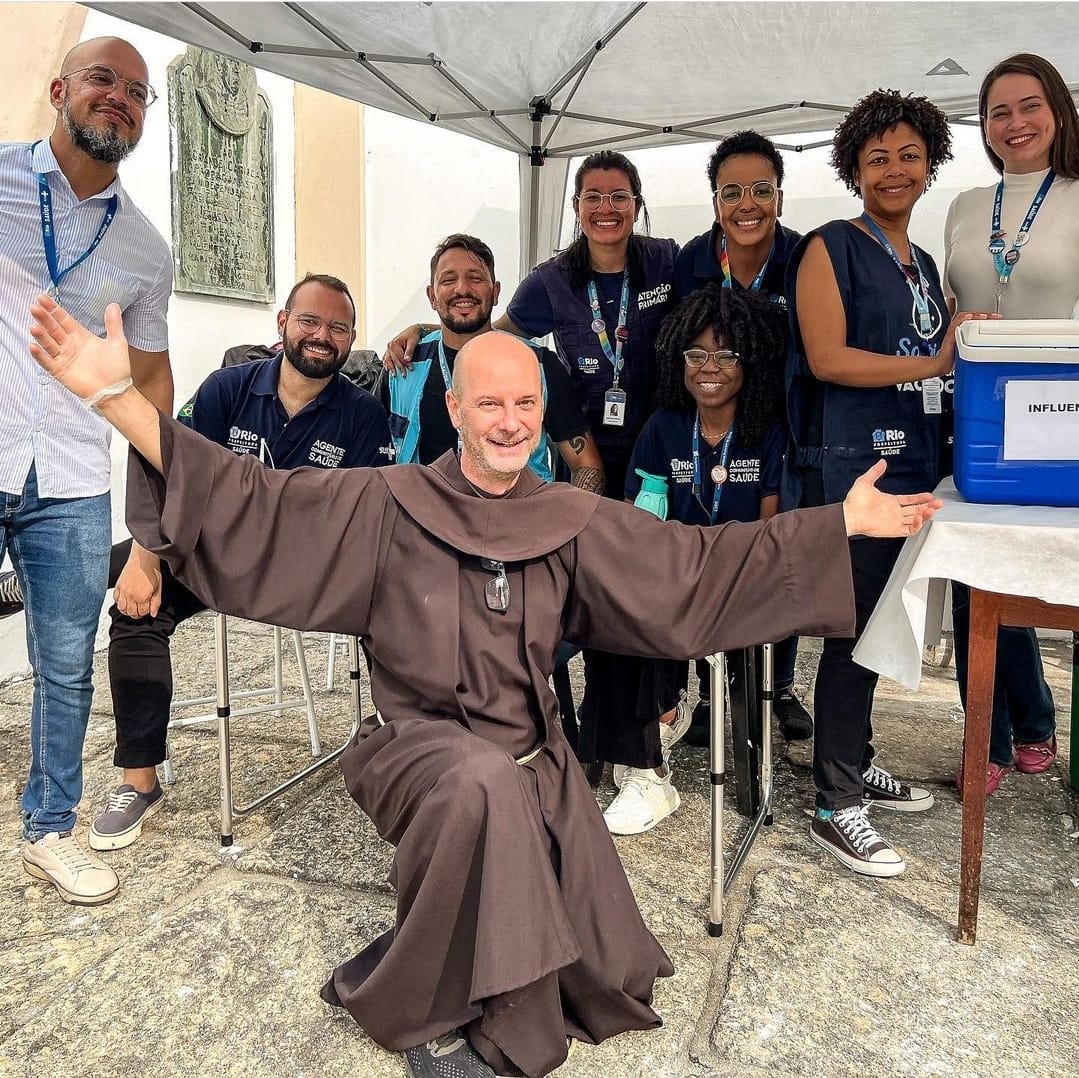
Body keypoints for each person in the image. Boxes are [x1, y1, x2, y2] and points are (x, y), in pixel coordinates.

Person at [29, 295, 941, 1078]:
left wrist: (835, 525)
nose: (509, 420)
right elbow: (247, 498)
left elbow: (693, 565)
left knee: (580, 938)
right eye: (490, 402)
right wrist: (114, 397)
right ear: (454, 408)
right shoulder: (384, 505)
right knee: (477, 783)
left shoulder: (572, 518)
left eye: (527, 404)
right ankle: (444, 1020)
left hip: (531, 759)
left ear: (544, 413)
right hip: (416, 752)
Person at [84, 274, 394, 852]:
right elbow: (167, 470)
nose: (322, 336)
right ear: (283, 323)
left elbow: (365, 518)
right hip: (212, 556)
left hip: (307, 573)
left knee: (398, 610)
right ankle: (139, 780)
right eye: (310, 321)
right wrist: (148, 558)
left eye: (337, 327)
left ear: (351, 339)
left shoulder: (363, 415)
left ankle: (405, 751)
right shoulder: (228, 388)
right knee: (133, 603)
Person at [786, 88, 995, 878]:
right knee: (851, 634)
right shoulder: (829, 246)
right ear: (853, 169)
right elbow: (827, 359)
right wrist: (934, 361)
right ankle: (836, 806)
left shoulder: (925, 262)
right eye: (877, 158)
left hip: (918, 461)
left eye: (908, 155)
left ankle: (857, 757)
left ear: (930, 161)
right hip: (860, 469)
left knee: (887, 628)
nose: (894, 169)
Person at [2, 37, 173, 907]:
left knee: (65, 662)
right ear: (63, 88)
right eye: (105, 80)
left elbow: (151, 383)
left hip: (70, 473)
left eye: (138, 93)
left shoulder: (144, 248)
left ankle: (50, 831)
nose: (120, 99)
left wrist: (154, 521)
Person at [943, 52, 1079, 795]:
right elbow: (945, 309)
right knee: (976, 572)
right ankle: (991, 741)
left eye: (1029, 106)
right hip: (981, 420)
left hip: (1062, 420)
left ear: (1056, 110)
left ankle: (1031, 720)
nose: (1014, 123)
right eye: (998, 111)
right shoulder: (966, 205)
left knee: (1029, 575)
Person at [607, 284, 787, 834]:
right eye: (697, 355)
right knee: (626, 609)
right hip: (674, 581)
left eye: (726, 355)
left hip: (741, 584)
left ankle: (668, 723)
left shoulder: (766, 435)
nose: (710, 368)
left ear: (747, 361)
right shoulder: (663, 429)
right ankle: (651, 766)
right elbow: (642, 525)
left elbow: (771, 534)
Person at [671, 129, 812, 746]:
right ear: (715, 201)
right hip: (720, 424)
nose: (746, 203)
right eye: (732, 192)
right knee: (709, 551)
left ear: (780, 196)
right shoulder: (693, 261)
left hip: (787, 426)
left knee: (778, 554)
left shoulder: (805, 258)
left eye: (761, 190)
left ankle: (775, 687)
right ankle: (708, 691)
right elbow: (681, 341)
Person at [380, 233, 604, 490]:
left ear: (496, 292)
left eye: (475, 278)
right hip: (427, 523)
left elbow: (587, 465)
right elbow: (376, 459)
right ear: (432, 296)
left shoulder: (538, 365)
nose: (462, 289)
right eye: (448, 280)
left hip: (519, 522)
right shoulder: (403, 365)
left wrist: (564, 526)